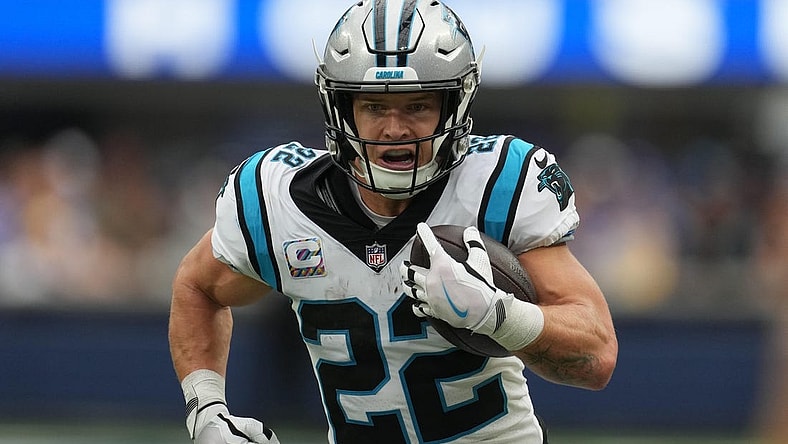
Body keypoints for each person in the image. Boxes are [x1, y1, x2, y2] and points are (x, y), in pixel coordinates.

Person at [168, 1, 618, 443]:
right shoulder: (279, 201)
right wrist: (205, 410)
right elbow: (198, 286)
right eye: (375, 108)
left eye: (417, 106)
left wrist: (497, 315)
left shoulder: (494, 186)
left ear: (453, 107)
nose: (395, 129)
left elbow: (597, 356)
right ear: (342, 109)